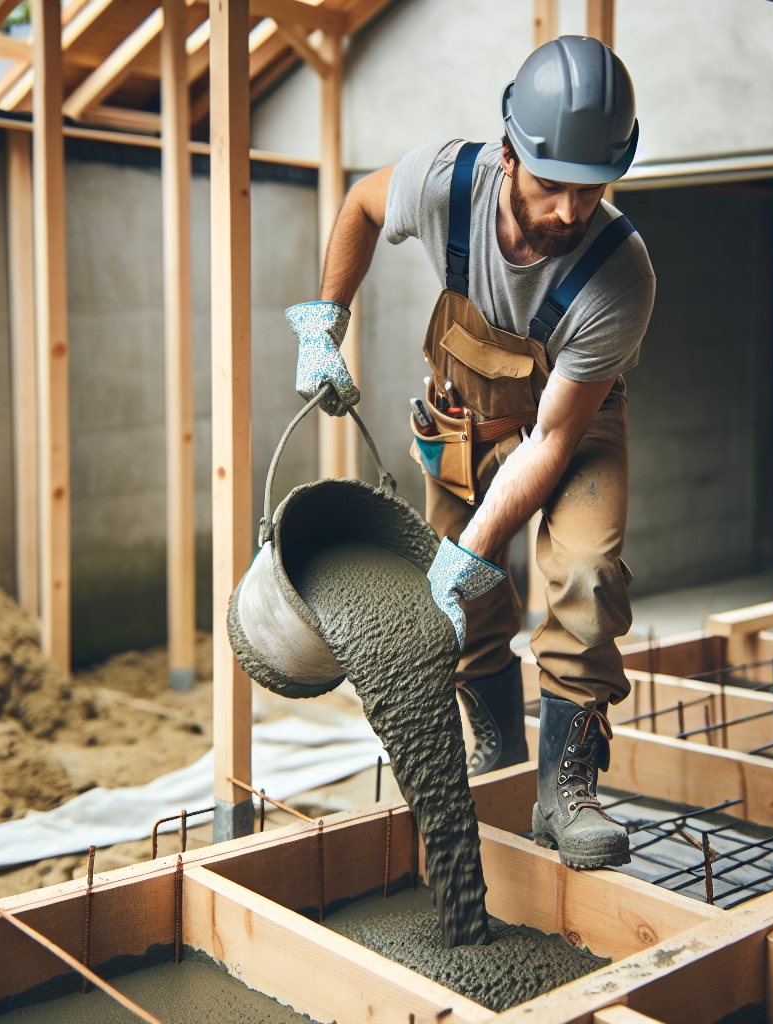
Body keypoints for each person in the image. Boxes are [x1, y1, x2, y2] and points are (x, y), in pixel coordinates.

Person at [290, 35, 655, 870]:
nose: (570, 212)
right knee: (475, 604)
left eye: (592, 191)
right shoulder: (445, 183)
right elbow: (359, 206)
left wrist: (477, 546)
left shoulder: (620, 274)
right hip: (467, 412)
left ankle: (566, 789)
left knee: (585, 575)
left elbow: (555, 439)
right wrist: (326, 320)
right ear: (507, 154)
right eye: (552, 185)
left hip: (574, 421)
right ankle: (498, 750)